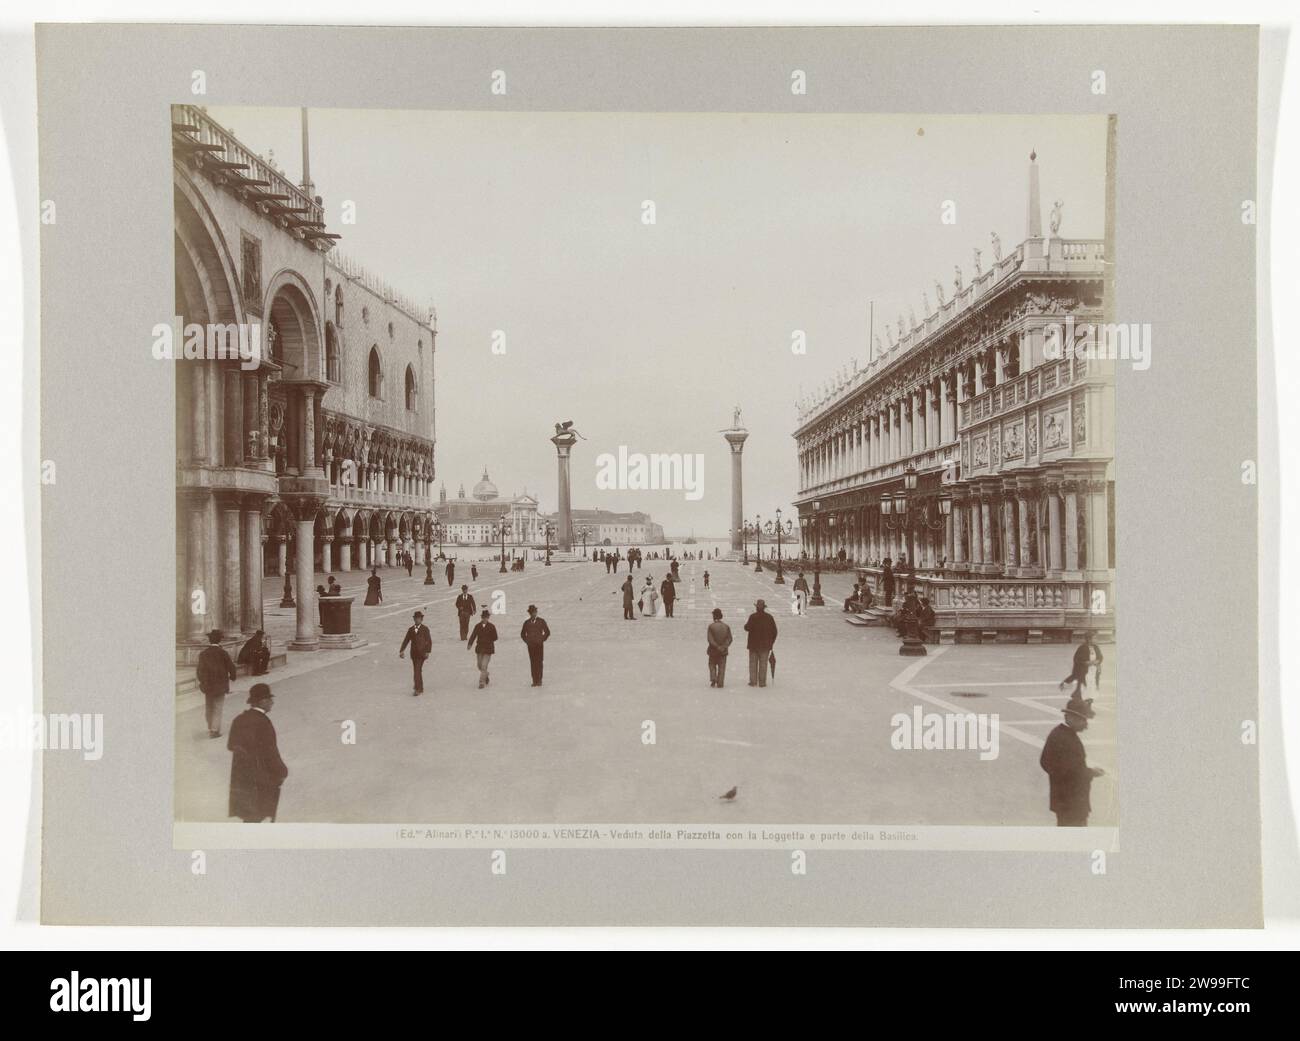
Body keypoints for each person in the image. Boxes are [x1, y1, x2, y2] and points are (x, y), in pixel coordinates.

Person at [227, 683, 288, 823]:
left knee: (248, 817)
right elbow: (271, 752)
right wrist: (282, 771)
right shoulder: (263, 722)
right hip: (260, 779)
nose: (272, 703)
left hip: (241, 780)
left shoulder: (239, 719)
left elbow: (231, 745)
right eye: (270, 700)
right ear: (262, 701)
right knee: (257, 815)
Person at [1039, 700, 1104, 826]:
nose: (1086, 725)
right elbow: (1072, 771)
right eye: (1083, 720)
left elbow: (1046, 762)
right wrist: (1091, 772)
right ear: (1071, 718)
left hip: (1064, 801)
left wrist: (1057, 777)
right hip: (1072, 803)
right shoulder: (1066, 739)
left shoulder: (1058, 733)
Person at [196, 629, 237, 738]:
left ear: (209, 640)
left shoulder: (203, 654)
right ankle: (214, 730)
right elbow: (231, 667)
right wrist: (233, 676)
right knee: (218, 707)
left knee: (209, 706)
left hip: (208, 685)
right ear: (219, 641)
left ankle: (210, 725)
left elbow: (199, 671)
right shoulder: (223, 653)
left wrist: (202, 682)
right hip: (220, 685)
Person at [743, 599, 778, 688]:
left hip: (753, 645)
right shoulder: (769, 617)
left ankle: (753, 681)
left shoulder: (753, 617)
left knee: (753, 663)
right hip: (765, 645)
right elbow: (774, 632)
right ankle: (762, 682)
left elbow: (747, 628)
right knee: (763, 664)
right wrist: (771, 642)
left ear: (756, 608)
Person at [398, 610, 433, 695]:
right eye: (416, 619)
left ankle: (417, 689)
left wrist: (428, 651)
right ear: (414, 619)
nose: (417, 620)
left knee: (417, 670)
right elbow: (406, 640)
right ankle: (420, 687)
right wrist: (402, 650)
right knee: (417, 670)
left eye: (419, 619)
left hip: (422, 653)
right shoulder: (411, 629)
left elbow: (429, 641)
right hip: (413, 654)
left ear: (421, 619)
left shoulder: (425, 629)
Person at [1060, 632, 1104, 696]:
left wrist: (1098, 661)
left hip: (1094, 668)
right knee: (1079, 679)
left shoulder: (1096, 647)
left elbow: (1100, 657)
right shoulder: (1082, 647)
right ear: (1089, 639)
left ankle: (1090, 692)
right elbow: (1077, 659)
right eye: (1094, 638)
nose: (1096, 640)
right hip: (1084, 669)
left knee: (1091, 682)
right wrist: (1085, 663)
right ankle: (1065, 685)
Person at [520, 604, 551, 687]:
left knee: (539, 662)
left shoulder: (541, 621)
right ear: (529, 613)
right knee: (533, 662)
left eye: (534, 612)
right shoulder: (526, 623)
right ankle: (534, 680)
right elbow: (522, 634)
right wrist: (527, 641)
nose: (533, 614)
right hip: (531, 646)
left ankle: (539, 680)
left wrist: (542, 639)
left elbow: (547, 632)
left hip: (539, 645)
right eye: (532, 612)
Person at [467, 609, 499, 689]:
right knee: (479, 665)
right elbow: (473, 635)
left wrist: (488, 640)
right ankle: (486, 674)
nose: (485, 619)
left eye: (486, 617)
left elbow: (495, 637)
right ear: (482, 618)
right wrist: (470, 644)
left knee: (484, 666)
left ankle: (482, 682)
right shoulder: (477, 626)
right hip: (480, 648)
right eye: (483, 617)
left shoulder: (492, 626)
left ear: (488, 618)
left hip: (488, 649)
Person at [706, 608, 733, 688]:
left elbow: (710, 639)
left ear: (714, 616)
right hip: (723, 651)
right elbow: (730, 639)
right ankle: (720, 682)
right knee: (722, 667)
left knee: (712, 664)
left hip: (713, 650)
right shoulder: (726, 626)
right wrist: (724, 646)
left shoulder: (711, 626)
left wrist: (717, 646)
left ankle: (713, 678)